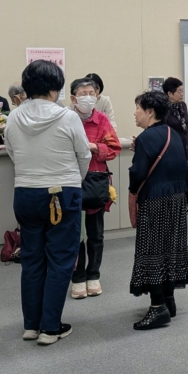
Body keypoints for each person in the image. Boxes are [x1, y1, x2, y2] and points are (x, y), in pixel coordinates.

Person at [5, 60, 90, 346]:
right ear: (56, 88)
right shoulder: (67, 117)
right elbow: (84, 155)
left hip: (25, 193)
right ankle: (50, 327)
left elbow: (11, 152)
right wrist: (74, 180)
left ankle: (31, 325)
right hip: (62, 192)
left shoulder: (13, 117)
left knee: (31, 259)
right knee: (61, 259)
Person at [128, 90, 188, 330]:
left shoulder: (146, 138)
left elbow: (138, 173)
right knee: (170, 249)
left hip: (155, 200)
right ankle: (168, 300)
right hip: (176, 199)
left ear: (150, 111)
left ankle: (157, 308)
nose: (135, 113)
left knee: (152, 251)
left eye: (137, 108)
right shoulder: (172, 133)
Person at [69, 78, 120, 300]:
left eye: (92, 93)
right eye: (83, 93)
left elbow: (114, 147)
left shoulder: (102, 120)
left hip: (95, 182)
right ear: (73, 98)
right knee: (74, 234)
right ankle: (78, 277)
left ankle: (94, 275)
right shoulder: (65, 119)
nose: (88, 97)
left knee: (96, 233)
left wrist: (94, 147)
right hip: (71, 182)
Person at [162, 77, 188, 211]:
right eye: (178, 91)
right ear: (169, 93)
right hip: (173, 143)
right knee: (176, 171)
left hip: (186, 141)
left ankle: (185, 201)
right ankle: (175, 201)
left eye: (182, 91)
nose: (181, 94)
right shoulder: (164, 108)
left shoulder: (183, 105)